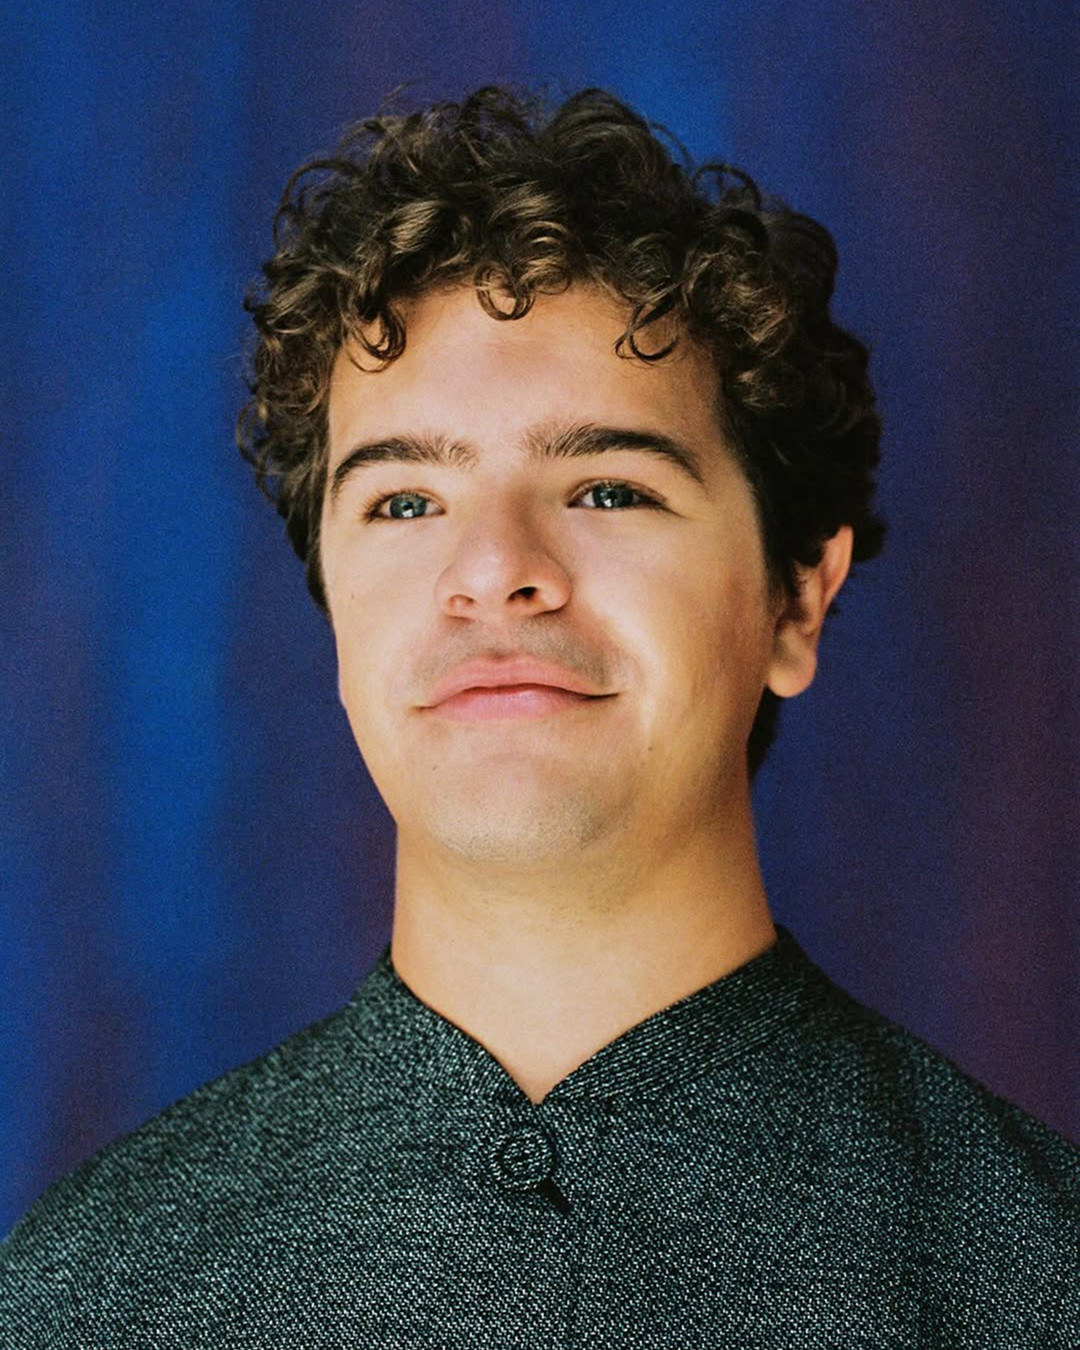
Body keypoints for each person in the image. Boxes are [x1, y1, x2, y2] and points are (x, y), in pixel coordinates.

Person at [1, 86, 1076, 1347]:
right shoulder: (84, 1294)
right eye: (403, 503)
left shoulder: (1041, 1279)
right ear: (333, 608)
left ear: (796, 601)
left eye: (608, 487)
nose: (495, 568)